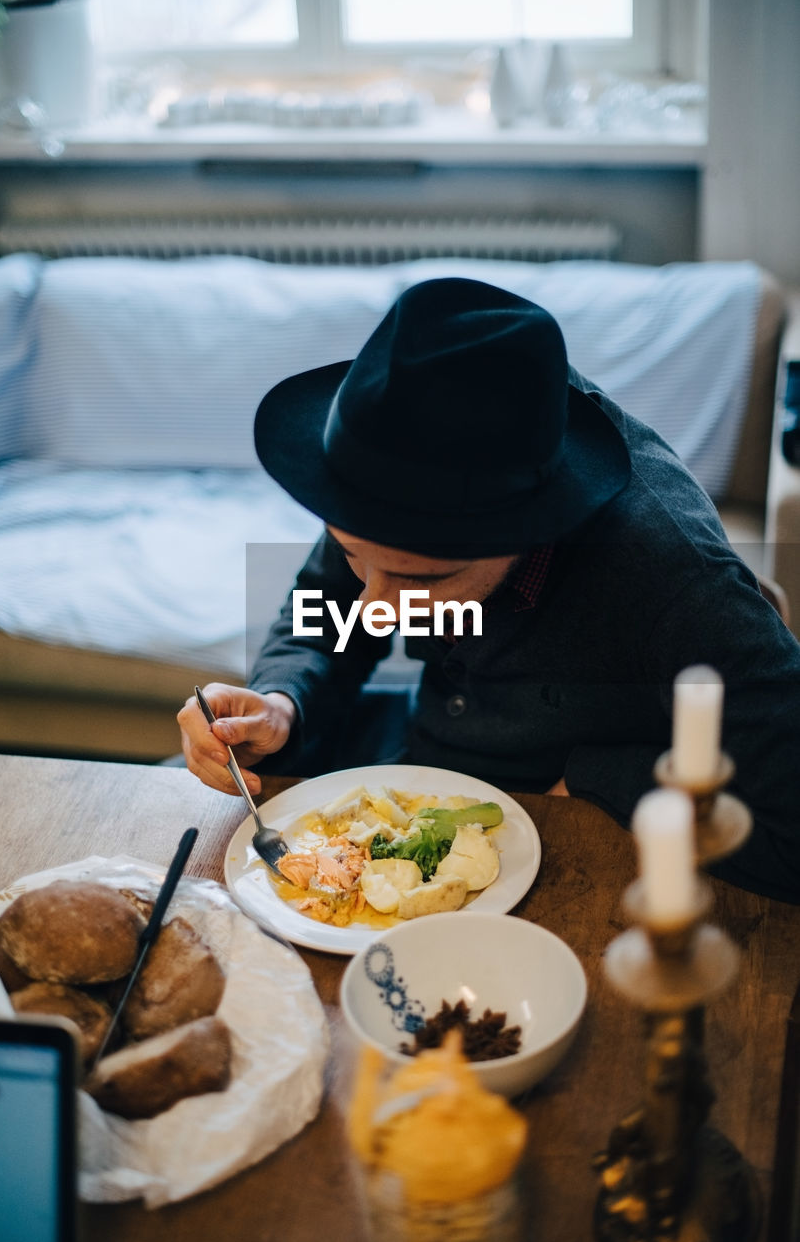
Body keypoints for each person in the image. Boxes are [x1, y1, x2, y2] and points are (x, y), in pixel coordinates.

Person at [178, 277, 800, 903]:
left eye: (422, 580)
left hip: (578, 833)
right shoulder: (396, 472)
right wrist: (282, 701)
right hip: (419, 763)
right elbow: (324, 611)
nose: (373, 609)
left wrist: (601, 777)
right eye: (353, 555)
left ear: (529, 528)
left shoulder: (670, 575)